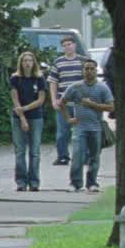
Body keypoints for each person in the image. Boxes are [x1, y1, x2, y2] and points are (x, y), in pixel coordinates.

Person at [59, 58, 114, 192]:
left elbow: (111, 107)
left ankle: (92, 183)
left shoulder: (102, 88)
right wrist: (68, 118)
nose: (89, 71)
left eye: (92, 69)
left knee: (94, 156)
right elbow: (62, 102)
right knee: (77, 155)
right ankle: (75, 183)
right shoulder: (75, 87)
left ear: (96, 71)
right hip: (79, 127)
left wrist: (92, 104)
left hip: (96, 128)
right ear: (82, 71)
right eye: (86, 69)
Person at [9, 50, 48, 191]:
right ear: (21, 62)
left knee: (35, 151)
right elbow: (15, 99)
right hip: (18, 117)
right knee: (20, 151)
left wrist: (25, 108)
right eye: (25, 60)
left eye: (30, 61)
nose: (27, 63)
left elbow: (41, 99)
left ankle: (34, 182)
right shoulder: (15, 78)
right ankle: (21, 182)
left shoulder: (39, 78)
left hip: (36, 116)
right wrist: (22, 118)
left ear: (34, 63)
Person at [47, 35, 85, 166]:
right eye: (65, 45)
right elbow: (53, 82)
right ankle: (63, 156)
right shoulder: (58, 62)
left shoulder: (83, 61)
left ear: (74, 45)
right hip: (63, 103)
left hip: (81, 103)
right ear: (62, 47)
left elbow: (90, 81)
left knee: (82, 131)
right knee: (62, 132)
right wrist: (53, 100)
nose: (68, 47)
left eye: (70, 44)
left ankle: (83, 157)